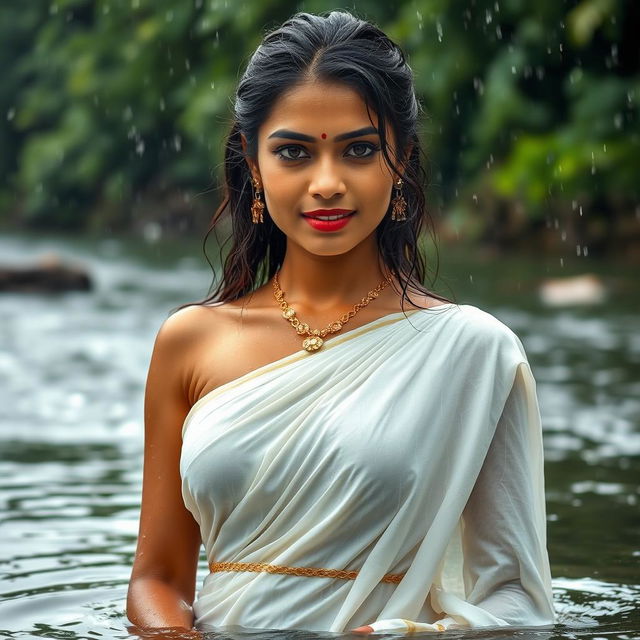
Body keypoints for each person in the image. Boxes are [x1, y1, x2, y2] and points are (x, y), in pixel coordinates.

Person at [126, 10, 555, 635]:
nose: (327, 184)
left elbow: (519, 602)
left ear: (400, 160)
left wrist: (408, 635)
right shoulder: (191, 342)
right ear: (252, 163)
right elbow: (157, 580)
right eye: (294, 152)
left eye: (359, 150)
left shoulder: (473, 352)